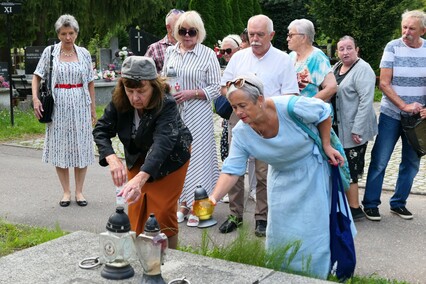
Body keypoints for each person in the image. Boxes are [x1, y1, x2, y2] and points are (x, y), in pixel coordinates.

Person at [209, 74, 345, 279]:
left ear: (260, 100)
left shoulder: (289, 106)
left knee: (312, 229)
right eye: (234, 107)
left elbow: (323, 111)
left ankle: (316, 275)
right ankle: (281, 275)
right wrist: (213, 198)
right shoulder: (242, 133)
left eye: (243, 105)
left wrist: (326, 144)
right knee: (281, 232)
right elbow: (231, 169)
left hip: (311, 171)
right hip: (280, 177)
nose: (238, 112)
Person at [92, 56, 192, 249]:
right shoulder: (119, 99)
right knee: (137, 208)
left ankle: (168, 260)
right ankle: (141, 256)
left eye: (141, 91)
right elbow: (101, 130)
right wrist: (112, 158)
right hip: (138, 155)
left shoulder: (166, 103)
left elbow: (163, 142)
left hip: (171, 158)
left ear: (153, 86)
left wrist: (140, 178)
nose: (135, 98)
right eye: (130, 91)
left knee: (161, 212)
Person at [220, 14, 299, 237]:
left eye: (260, 35)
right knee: (235, 167)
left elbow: (291, 94)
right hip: (240, 118)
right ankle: (235, 214)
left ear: (271, 35)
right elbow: (223, 86)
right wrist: (237, 100)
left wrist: (266, 110)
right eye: (251, 34)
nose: (254, 39)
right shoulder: (238, 58)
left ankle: (262, 217)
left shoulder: (283, 60)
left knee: (264, 172)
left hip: (267, 121)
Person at [362, 10, 426, 221]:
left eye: (412, 29)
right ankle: (371, 204)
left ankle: (399, 203)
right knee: (380, 159)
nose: (406, 32)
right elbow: (384, 83)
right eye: (404, 27)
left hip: (418, 119)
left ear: (423, 31)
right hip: (391, 114)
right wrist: (404, 105)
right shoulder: (393, 47)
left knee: (411, 162)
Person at [163, 11, 221, 227]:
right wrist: (168, 90)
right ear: (176, 32)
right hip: (175, 112)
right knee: (178, 157)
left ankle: (201, 205)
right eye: (182, 31)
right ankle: (183, 203)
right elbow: (164, 78)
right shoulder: (171, 52)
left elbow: (216, 88)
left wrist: (192, 93)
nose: (187, 35)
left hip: (198, 112)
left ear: (199, 32)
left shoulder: (207, 54)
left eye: (192, 31)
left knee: (198, 158)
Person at [32, 14, 96, 207]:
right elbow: (37, 76)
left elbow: (91, 82)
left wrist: (93, 108)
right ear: (58, 34)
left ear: (76, 33)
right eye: (63, 33)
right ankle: (66, 192)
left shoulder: (84, 53)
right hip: (58, 103)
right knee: (60, 147)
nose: (68, 37)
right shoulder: (50, 52)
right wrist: (35, 99)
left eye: (71, 33)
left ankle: (79, 191)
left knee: (81, 146)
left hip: (80, 103)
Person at [332, 35, 378, 220]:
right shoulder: (335, 67)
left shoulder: (363, 69)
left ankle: (354, 208)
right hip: (338, 127)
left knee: (350, 167)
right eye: (341, 49)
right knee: (343, 165)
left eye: (349, 48)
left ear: (357, 49)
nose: (345, 52)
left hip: (354, 129)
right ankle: (347, 205)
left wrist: (357, 129)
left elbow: (367, 102)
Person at [216, 34, 243, 203]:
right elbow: (222, 88)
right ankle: (233, 198)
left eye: (228, 50)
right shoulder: (230, 66)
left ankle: (254, 191)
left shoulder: (243, 62)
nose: (225, 54)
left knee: (257, 162)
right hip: (232, 115)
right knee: (230, 155)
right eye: (222, 51)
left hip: (246, 112)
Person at [287, 19, 337, 100]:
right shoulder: (291, 56)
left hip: (309, 111)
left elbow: (331, 87)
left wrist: (309, 104)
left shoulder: (317, 57)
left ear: (303, 37)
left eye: (291, 35)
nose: (288, 39)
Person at [145, 8, 184, 73]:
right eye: (179, 26)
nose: (184, 29)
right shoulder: (154, 49)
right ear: (168, 28)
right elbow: (145, 76)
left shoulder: (193, 47)